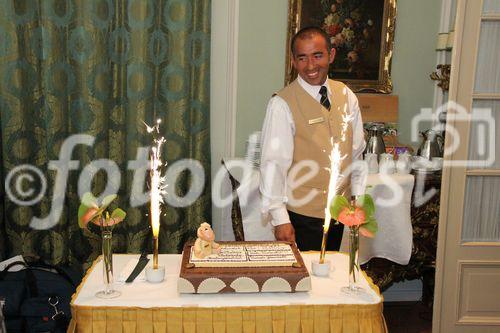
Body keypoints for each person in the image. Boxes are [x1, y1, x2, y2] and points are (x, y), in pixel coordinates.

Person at [259, 26, 366, 251]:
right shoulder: (282, 104)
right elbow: (273, 164)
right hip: (301, 215)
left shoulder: (347, 95)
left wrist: (358, 198)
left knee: (332, 275)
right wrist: (280, 219)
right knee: (307, 281)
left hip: (341, 210)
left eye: (317, 55)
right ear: (293, 61)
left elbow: (356, 152)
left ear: (331, 55)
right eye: (302, 58)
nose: (310, 66)